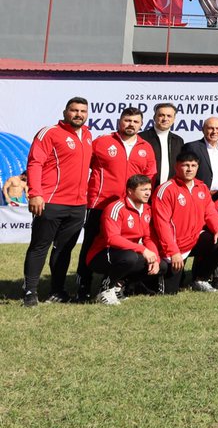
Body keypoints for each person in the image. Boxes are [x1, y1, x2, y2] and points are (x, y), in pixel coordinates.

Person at [77, 106, 157, 302]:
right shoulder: (102, 142)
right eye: (127, 120)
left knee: (126, 249)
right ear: (119, 121)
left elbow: (149, 177)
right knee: (90, 247)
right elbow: (81, 165)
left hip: (128, 207)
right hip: (99, 204)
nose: (131, 124)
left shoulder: (145, 147)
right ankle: (82, 288)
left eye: (135, 121)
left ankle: (114, 286)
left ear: (141, 124)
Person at [22, 97, 94, 307]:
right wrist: (35, 193)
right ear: (65, 112)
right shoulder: (50, 132)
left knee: (63, 249)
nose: (78, 114)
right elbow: (35, 163)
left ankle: (58, 290)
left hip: (78, 205)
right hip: (51, 202)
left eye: (83, 111)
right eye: (74, 110)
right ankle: (30, 292)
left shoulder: (88, 135)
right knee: (39, 246)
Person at [152, 152, 218, 294]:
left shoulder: (202, 187)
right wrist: (173, 251)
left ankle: (201, 279)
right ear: (176, 167)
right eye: (185, 165)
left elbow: (210, 212)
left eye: (193, 165)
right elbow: (161, 225)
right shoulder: (166, 189)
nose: (189, 169)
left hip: (193, 239)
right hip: (172, 246)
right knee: (169, 293)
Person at [84, 174, 160, 305]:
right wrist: (142, 249)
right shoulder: (116, 208)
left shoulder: (147, 209)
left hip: (127, 254)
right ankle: (105, 290)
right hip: (101, 254)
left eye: (149, 189)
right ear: (130, 191)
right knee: (130, 257)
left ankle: (118, 286)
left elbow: (148, 237)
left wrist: (155, 258)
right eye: (143, 190)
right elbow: (112, 239)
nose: (148, 193)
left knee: (161, 265)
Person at [185, 116, 218, 200]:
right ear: (203, 130)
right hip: (198, 196)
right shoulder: (192, 147)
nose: (214, 132)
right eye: (211, 128)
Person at [144, 102, 184, 187]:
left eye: (169, 116)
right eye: (161, 115)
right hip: (145, 189)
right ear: (154, 117)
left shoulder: (178, 141)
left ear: (174, 119)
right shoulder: (141, 138)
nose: (165, 119)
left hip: (170, 190)